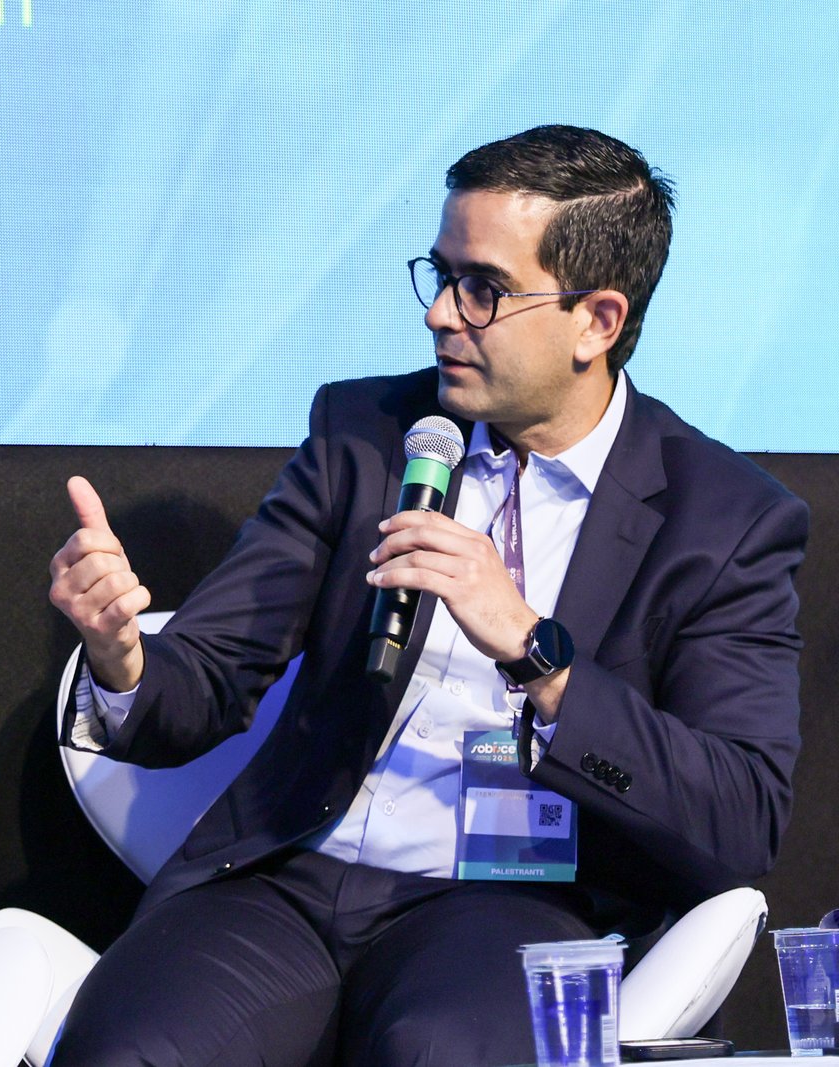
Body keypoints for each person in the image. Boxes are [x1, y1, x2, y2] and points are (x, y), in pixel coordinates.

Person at [46, 125, 808, 1065]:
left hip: (510, 903)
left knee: (449, 1053)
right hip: (292, 877)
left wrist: (537, 650)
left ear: (597, 321)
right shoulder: (367, 433)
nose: (441, 314)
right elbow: (207, 676)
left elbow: (740, 812)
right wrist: (123, 657)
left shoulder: (723, 519)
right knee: (128, 1050)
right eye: (441, 276)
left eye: (483, 289)